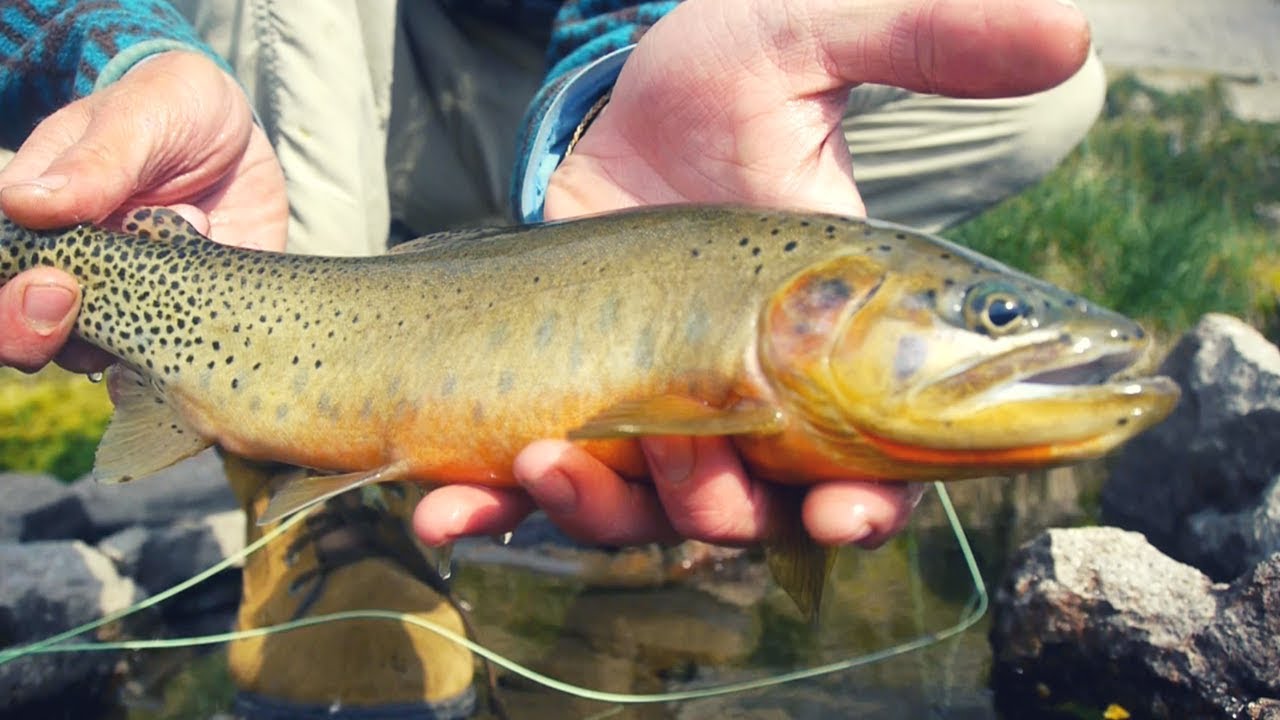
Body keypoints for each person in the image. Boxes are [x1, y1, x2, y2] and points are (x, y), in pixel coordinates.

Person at [0, 0, 1103, 716]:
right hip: (318, 61)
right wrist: (109, 52)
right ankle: (317, 514)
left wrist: (623, 69)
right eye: (995, 318)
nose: (1010, 330)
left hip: (539, 80)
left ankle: (556, 199)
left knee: (1055, 88)